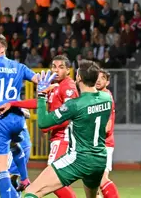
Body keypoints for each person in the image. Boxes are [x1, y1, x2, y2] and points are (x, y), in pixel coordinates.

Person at [25, 60, 113, 198]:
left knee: (32, 191)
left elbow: (43, 123)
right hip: (100, 159)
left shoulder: (74, 105)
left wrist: (42, 95)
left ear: (79, 77)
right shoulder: (107, 98)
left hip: (79, 159)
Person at [0, 55, 78, 198]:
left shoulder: (68, 87)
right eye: (54, 66)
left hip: (65, 137)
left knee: (54, 179)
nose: (56, 70)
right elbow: (39, 103)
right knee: (59, 181)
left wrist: (49, 124)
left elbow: (71, 115)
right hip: (58, 138)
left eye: (61, 67)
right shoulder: (54, 86)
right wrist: (14, 103)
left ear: (68, 70)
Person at [0, 32, 39, 197]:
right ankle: (24, 178)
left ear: (2, 48)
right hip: (17, 119)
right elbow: (39, 80)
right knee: (14, 146)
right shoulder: (19, 66)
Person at [95, 70, 120, 198]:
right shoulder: (97, 96)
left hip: (104, 144)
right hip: (96, 144)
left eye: (102, 78)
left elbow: (107, 127)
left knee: (102, 178)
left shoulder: (105, 98)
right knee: (94, 182)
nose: (98, 80)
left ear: (107, 82)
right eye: (96, 77)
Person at [8, 109, 32, 193]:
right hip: (24, 144)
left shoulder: (13, 105)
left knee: (6, 177)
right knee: (13, 178)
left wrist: (16, 110)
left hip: (19, 146)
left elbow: (28, 114)